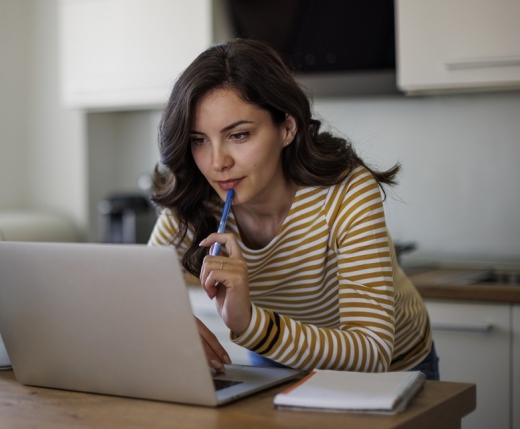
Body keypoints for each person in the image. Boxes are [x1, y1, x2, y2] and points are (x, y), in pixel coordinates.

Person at [147, 39, 439, 380]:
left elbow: (372, 350)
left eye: (239, 135)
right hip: (278, 359)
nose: (217, 163)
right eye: (199, 140)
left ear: (286, 127)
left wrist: (251, 324)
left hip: (392, 370)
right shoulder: (196, 196)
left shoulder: (346, 191)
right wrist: (169, 323)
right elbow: (141, 293)